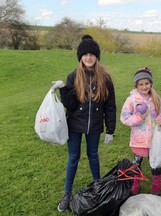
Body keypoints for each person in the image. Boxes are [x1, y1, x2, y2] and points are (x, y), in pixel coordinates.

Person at [51, 35, 116, 212]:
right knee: (73, 158)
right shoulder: (73, 76)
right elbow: (71, 105)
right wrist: (63, 89)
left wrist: (110, 129)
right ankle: (66, 194)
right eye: (85, 54)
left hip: (94, 126)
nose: (88, 57)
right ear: (80, 57)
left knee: (93, 156)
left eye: (92, 54)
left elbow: (110, 106)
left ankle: (98, 189)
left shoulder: (106, 79)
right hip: (74, 125)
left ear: (97, 57)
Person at [120, 67, 161, 196]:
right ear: (136, 85)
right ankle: (135, 185)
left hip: (154, 140)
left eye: (147, 83)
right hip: (138, 140)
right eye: (141, 84)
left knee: (155, 164)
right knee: (136, 164)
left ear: (151, 83)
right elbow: (124, 117)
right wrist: (138, 118)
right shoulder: (132, 100)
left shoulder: (156, 98)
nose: (144, 87)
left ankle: (156, 187)